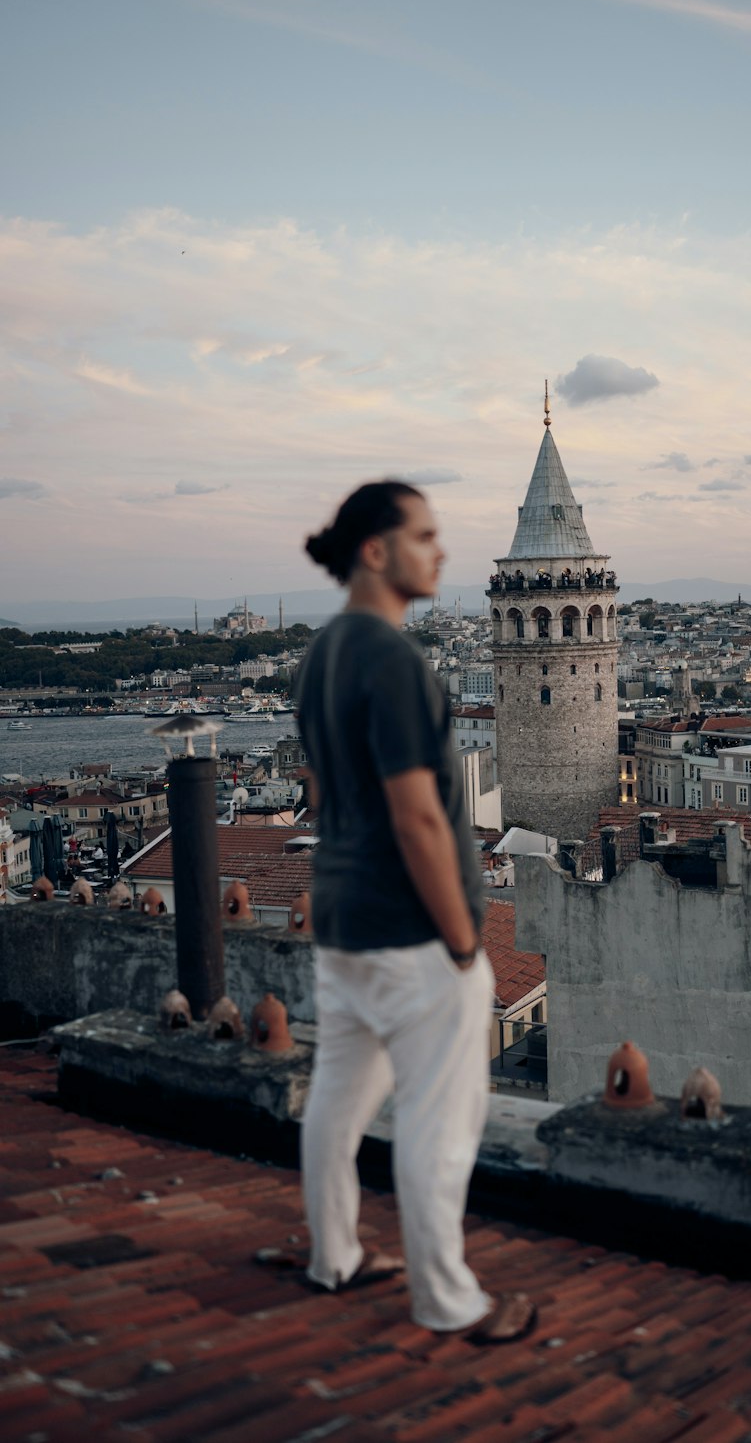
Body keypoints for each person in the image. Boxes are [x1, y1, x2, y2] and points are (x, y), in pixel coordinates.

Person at [294, 480, 535, 1343]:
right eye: (424, 535)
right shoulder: (391, 660)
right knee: (441, 1117)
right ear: (375, 551)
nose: (440, 552)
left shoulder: (321, 653)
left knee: (338, 1098)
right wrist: (464, 937)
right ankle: (448, 1298)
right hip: (412, 930)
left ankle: (335, 1255)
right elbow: (420, 814)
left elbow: (322, 792)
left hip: (342, 918)